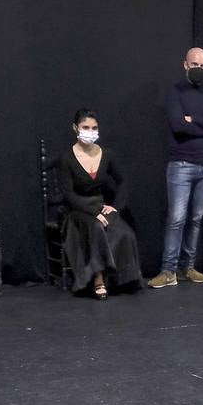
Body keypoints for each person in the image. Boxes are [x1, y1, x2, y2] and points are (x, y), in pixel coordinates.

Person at [148, 48, 203, 289]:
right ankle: (168, 270)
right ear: (185, 64)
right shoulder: (174, 92)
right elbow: (177, 125)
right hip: (181, 165)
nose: (198, 69)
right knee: (176, 219)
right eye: (194, 64)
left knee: (195, 219)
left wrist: (193, 119)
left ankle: (188, 267)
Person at [58, 109, 142, 299]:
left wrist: (115, 206)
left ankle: (123, 278)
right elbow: (68, 194)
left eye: (94, 128)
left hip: (100, 205)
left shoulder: (107, 154)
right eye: (85, 127)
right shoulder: (67, 159)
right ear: (75, 128)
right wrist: (92, 212)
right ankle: (98, 278)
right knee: (96, 227)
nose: (90, 131)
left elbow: (123, 181)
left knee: (124, 232)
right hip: (77, 210)